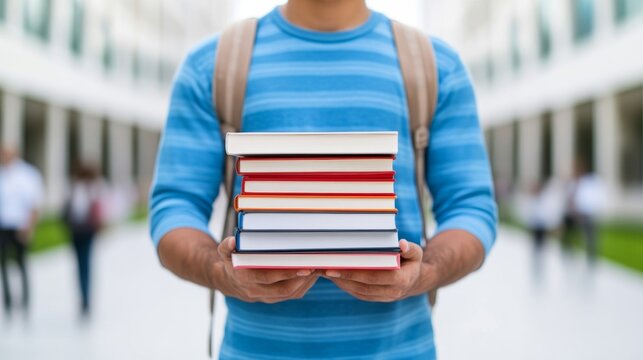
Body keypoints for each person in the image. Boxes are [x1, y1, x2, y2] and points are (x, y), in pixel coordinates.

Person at [150, 1, 497, 358]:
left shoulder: (435, 67)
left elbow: (471, 207)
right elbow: (174, 208)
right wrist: (221, 272)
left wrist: (424, 273)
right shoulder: (214, 66)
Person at [0, 146, 43, 317]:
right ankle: (8, 301)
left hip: (20, 225)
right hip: (3, 225)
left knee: (21, 263)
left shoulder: (27, 175)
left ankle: (25, 301)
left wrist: (29, 227)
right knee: (3, 265)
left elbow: (35, 204)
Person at [63, 163, 104, 316]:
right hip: (75, 230)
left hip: (87, 231)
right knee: (79, 264)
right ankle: (82, 297)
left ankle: (86, 299)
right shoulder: (73, 188)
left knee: (85, 263)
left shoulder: (92, 188)